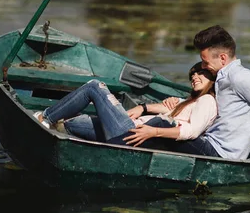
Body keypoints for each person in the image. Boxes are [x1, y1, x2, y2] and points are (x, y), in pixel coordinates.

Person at [164, 25, 250, 172]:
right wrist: (177, 102)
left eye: (205, 62)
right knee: (160, 123)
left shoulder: (241, 78)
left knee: (160, 127)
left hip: (220, 154)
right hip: (208, 141)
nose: (203, 67)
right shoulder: (221, 77)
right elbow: (206, 104)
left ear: (223, 58)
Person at [34, 62, 217, 150]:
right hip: (132, 127)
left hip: (132, 133)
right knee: (72, 124)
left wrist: (153, 132)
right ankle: (55, 125)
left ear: (213, 79)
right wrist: (142, 108)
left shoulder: (207, 101)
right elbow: (165, 109)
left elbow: (192, 130)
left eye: (201, 73)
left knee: (95, 87)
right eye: (192, 75)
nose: (194, 77)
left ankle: (45, 117)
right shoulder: (188, 102)